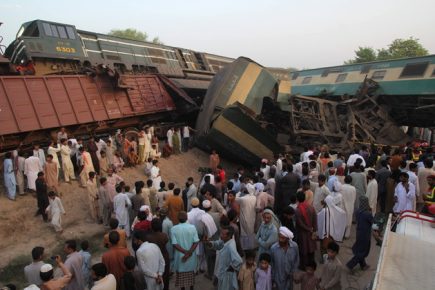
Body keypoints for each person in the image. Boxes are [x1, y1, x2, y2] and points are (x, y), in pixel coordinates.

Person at [207, 226, 243, 290]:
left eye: (223, 234)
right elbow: (218, 244)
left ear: (229, 236)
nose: (221, 235)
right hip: (222, 273)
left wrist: (231, 267)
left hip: (227, 276)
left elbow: (239, 260)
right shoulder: (225, 241)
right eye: (221, 233)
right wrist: (210, 243)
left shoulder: (231, 246)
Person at [171, 211, 199, 290]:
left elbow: (174, 244)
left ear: (178, 219)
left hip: (180, 258)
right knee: (191, 280)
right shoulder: (192, 227)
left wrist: (185, 253)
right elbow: (196, 242)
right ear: (187, 218)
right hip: (191, 258)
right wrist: (188, 253)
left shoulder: (173, 229)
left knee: (181, 282)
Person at [346, 196, 373, 272]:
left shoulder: (358, 211)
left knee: (361, 249)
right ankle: (350, 264)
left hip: (359, 232)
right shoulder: (367, 214)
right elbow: (372, 221)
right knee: (363, 251)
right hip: (365, 234)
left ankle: (363, 265)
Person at [145, 219, 171, 290]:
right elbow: (166, 241)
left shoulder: (148, 237)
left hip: (153, 258)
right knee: (165, 277)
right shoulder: (164, 236)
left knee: (155, 276)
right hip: (164, 256)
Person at [295, 191, 317, 271]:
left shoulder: (297, 210)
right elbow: (315, 219)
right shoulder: (311, 207)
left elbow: (300, 223)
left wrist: (308, 229)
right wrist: (314, 230)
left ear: (297, 199)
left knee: (303, 249)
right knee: (311, 249)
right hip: (311, 231)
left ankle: (304, 266)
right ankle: (312, 265)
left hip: (302, 233)